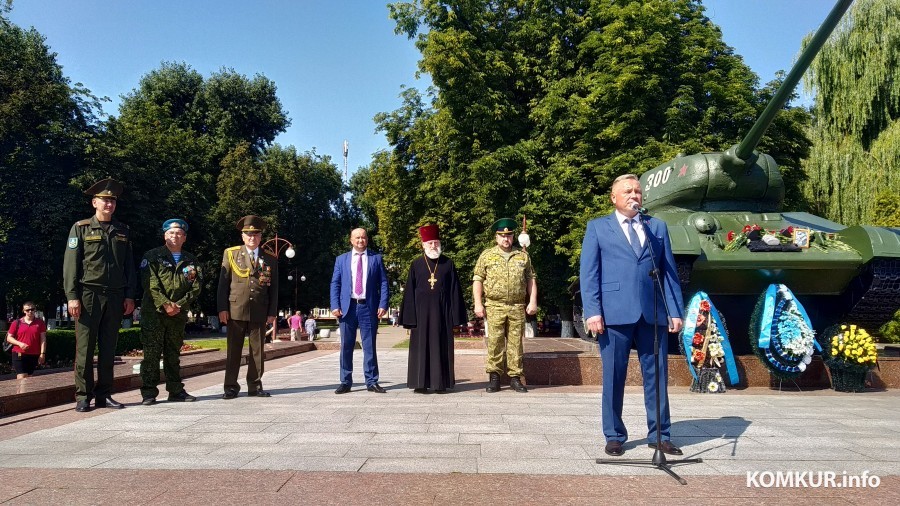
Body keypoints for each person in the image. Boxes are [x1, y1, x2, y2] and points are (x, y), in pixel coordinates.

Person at [579, 173, 685, 458]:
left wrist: (675, 311)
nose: (634, 196)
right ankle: (614, 435)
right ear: (614, 198)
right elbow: (589, 274)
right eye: (627, 191)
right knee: (613, 376)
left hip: (653, 312)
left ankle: (660, 435)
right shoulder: (598, 228)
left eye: (638, 191)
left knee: (658, 376)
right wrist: (593, 312)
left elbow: (669, 273)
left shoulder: (656, 227)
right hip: (613, 314)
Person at [63, 178, 138, 412]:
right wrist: (72, 296)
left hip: (115, 296)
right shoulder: (81, 228)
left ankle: (104, 395)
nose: (109, 204)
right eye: (105, 200)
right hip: (88, 295)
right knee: (85, 349)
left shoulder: (122, 230)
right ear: (94, 202)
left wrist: (130, 296)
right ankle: (83, 396)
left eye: (112, 201)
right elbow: (71, 265)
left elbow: (129, 267)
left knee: (108, 348)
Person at [138, 219, 202, 406]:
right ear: (165, 235)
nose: (175, 236)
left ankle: (175, 390)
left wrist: (179, 305)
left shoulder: (191, 260)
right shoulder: (152, 257)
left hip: (178, 315)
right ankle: (149, 393)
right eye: (171, 233)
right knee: (151, 355)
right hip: (154, 314)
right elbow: (150, 285)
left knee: (173, 354)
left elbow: (196, 287)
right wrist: (166, 304)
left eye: (179, 233)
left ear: (185, 237)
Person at [472, 218, 538, 393]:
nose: (505, 239)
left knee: (516, 343)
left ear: (513, 236)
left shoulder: (522, 256)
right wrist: (478, 303)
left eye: (508, 235)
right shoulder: (487, 255)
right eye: (502, 236)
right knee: (495, 342)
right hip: (494, 306)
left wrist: (532, 301)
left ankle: (515, 378)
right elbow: (478, 280)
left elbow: (531, 279)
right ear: (496, 237)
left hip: (517, 306)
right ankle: (494, 377)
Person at [400, 224, 467, 393]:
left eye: (436, 242)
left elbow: (454, 290)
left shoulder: (448, 263)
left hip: (442, 314)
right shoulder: (416, 264)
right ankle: (420, 383)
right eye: (430, 243)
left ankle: (440, 383)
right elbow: (409, 292)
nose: (433, 246)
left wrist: (456, 318)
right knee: (420, 347)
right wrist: (409, 318)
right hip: (421, 315)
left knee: (441, 346)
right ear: (423, 244)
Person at [217, 215, 279, 399]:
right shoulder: (231, 253)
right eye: (248, 234)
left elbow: (274, 288)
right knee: (233, 350)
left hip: (259, 310)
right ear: (242, 236)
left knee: (257, 351)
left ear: (260, 237)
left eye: (256, 234)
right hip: (235, 309)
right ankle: (230, 387)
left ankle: (255, 386)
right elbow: (223, 283)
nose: (252, 238)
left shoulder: (270, 258)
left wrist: (272, 312)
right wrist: (222, 308)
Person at [330, 227, 389, 394]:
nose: (360, 240)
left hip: (368, 307)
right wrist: (335, 305)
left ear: (367, 239)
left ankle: (372, 381)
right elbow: (335, 283)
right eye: (357, 238)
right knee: (346, 346)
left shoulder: (376, 258)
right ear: (351, 240)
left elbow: (383, 283)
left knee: (369, 346)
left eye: (363, 237)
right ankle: (345, 381)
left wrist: (383, 304)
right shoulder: (341, 260)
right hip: (347, 308)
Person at [5, 302, 47, 379]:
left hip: (34, 354)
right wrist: (20, 344)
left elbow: (43, 339)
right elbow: (9, 338)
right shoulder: (17, 322)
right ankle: (21, 391)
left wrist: (42, 353)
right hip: (19, 353)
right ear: (24, 311)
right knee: (22, 376)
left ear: (35, 310)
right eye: (28, 310)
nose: (30, 311)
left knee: (29, 377)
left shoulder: (40, 323)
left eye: (32, 309)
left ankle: (23, 391)